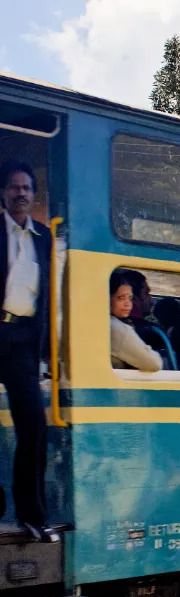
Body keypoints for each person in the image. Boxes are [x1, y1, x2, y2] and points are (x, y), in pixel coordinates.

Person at [0, 160, 56, 542]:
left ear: (34, 195)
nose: (21, 193)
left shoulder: (44, 238)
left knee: (34, 425)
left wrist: (49, 348)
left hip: (22, 339)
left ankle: (32, 515)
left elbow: (50, 296)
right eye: (14, 187)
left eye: (26, 188)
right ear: (3, 193)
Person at [110, 272, 163, 372]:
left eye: (130, 298)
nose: (128, 304)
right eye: (121, 297)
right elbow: (155, 363)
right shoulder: (117, 328)